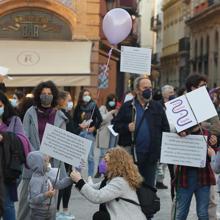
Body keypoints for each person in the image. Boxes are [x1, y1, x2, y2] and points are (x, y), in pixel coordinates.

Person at [17, 81, 68, 220]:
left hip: (52, 166)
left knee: (48, 206)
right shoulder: (30, 113)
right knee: (26, 205)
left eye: (49, 94)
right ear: (38, 95)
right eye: (43, 94)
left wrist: (50, 157)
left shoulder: (60, 116)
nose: (46, 96)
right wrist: (39, 157)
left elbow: (62, 141)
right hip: (32, 164)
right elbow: (24, 137)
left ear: (54, 96)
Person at [113, 76, 170, 189]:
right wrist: (126, 127)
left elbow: (165, 129)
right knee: (130, 188)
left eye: (150, 87)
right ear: (137, 90)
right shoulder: (127, 106)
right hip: (131, 157)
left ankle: (146, 207)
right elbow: (115, 126)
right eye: (145, 88)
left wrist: (161, 152)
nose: (148, 90)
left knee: (148, 189)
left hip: (151, 157)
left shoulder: (157, 107)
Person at [70, 147, 146, 220]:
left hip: (128, 217)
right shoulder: (112, 179)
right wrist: (77, 178)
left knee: (100, 216)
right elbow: (92, 188)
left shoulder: (120, 181)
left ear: (116, 163)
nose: (102, 163)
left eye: (106, 161)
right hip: (121, 215)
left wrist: (79, 181)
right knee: (100, 216)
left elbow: (97, 197)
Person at [185, 73, 220, 220]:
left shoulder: (207, 104)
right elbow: (180, 128)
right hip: (185, 154)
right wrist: (199, 127)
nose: (205, 88)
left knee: (210, 197)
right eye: (201, 86)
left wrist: (209, 133)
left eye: (206, 85)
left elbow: (217, 126)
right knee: (182, 198)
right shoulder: (182, 104)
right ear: (193, 88)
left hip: (206, 155)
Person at [173, 125, 216, 220]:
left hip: (203, 178)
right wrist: (180, 134)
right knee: (181, 212)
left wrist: (214, 145)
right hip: (185, 179)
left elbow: (214, 157)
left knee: (203, 213)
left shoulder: (207, 134)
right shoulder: (180, 133)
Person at [0, 91, 31, 220]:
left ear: (4, 105)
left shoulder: (14, 120)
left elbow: (23, 140)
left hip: (9, 168)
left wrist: (4, 137)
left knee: (7, 203)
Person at [27, 151, 73, 220]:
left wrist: (71, 179)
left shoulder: (46, 175)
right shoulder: (36, 180)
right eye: (45, 161)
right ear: (38, 164)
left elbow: (58, 184)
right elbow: (33, 199)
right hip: (39, 213)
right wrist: (46, 195)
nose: (48, 163)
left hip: (49, 211)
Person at [56, 90, 78, 219]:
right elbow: (70, 132)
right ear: (61, 101)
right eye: (68, 100)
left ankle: (63, 210)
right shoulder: (61, 114)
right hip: (65, 152)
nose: (70, 103)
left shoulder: (66, 114)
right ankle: (59, 210)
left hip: (68, 151)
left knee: (66, 181)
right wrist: (79, 129)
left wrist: (79, 127)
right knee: (63, 181)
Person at [73, 89, 102, 177]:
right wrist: (79, 126)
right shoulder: (78, 106)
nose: (86, 96)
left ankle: (89, 177)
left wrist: (94, 127)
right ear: (81, 97)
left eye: (88, 94)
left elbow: (100, 119)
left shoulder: (94, 106)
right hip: (80, 132)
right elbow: (74, 120)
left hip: (89, 133)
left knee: (90, 156)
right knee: (79, 156)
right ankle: (78, 175)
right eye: (84, 95)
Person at [95, 94, 118, 178]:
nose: (113, 102)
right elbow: (102, 119)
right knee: (103, 154)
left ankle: (108, 172)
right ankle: (100, 170)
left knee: (111, 154)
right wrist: (111, 113)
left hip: (113, 133)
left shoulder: (117, 110)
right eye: (112, 100)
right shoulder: (103, 108)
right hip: (105, 133)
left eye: (115, 101)